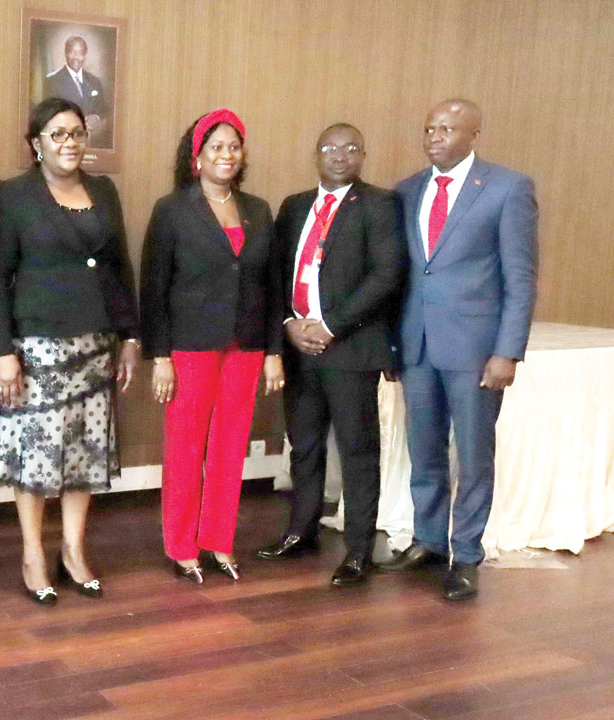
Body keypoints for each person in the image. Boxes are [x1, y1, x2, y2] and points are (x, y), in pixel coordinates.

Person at [0, 97, 141, 606]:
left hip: (96, 343)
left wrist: (131, 337)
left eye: (76, 133)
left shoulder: (104, 190)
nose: (69, 143)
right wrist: (2, 352)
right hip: (37, 347)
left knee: (85, 453)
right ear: (36, 143)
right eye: (57, 134)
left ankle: (72, 551)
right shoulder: (11, 195)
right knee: (36, 455)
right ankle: (33, 555)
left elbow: (119, 267)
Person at [378, 99, 537, 601]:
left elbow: (520, 278)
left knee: (472, 456)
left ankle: (466, 555)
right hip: (417, 345)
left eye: (447, 129)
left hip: (476, 352)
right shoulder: (406, 190)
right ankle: (428, 541)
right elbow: (402, 275)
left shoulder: (508, 188)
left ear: (474, 135)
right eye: (429, 128)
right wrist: (393, 344)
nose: (434, 137)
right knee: (423, 450)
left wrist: (508, 351)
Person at [255, 124, 406, 587]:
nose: (339, 155)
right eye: (329, 148)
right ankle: (301, 531)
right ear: (316, 155)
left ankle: (359, 549)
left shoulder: (379, 204)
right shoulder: (294, 206)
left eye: (350, 148)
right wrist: (288, 324)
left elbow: (385, 276)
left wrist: (331, 325)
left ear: (363, 155)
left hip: (350, 348)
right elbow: (276, 273)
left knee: (358, 451)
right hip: (299, 348)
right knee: (304, 444)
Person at [139, 109, 284, 584]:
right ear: (197, 156)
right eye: (216, 147)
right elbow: (154, 287)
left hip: (246, 347)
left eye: (234, 147)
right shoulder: (172, 209)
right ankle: (182, 546)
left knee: (229, 448)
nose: (227, 154)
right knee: (185, 449)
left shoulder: (258, 209)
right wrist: (160, 356)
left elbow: (272, 286)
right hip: (190, 346)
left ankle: (218, 540)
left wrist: (274, 351)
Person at [42, 36, 109, 147]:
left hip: (92, 144)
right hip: (65, 143)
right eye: (72, 52)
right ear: (66, 53)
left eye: (80, 53)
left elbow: (103, 109)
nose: (76, 57)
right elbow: (49, 114)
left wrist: (96, 117)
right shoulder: (52, 81)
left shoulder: (95, 81)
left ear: (85, 55)